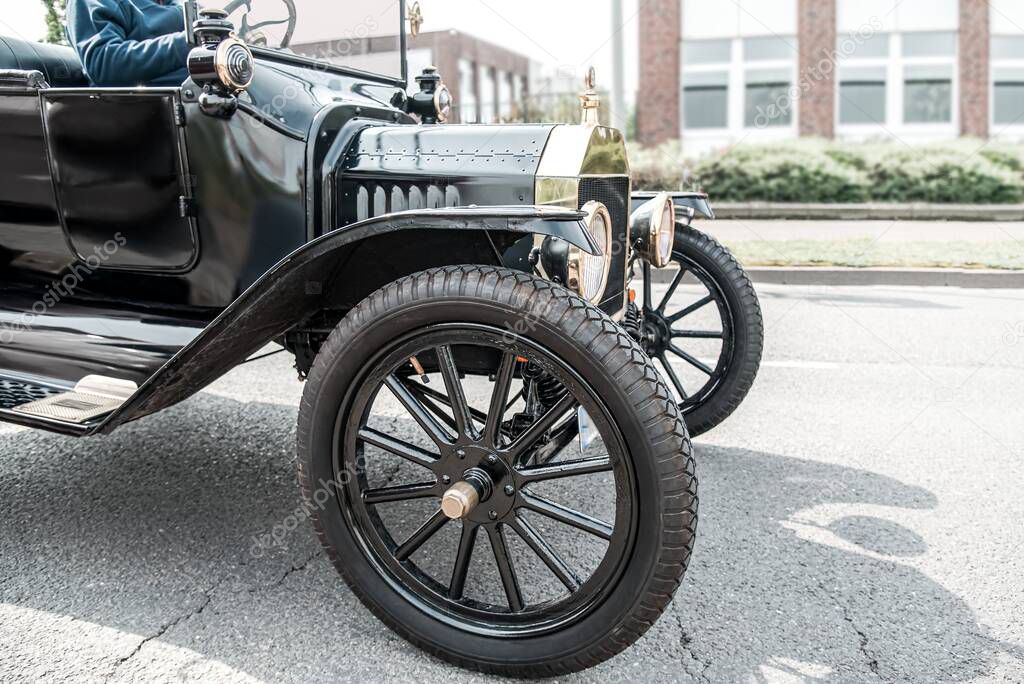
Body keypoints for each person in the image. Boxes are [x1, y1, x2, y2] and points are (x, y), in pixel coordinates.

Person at [66, 0, 192, 87]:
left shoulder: (179, 5)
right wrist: (189, 42)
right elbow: (103, 63)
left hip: (200, 91)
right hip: (153, 108)